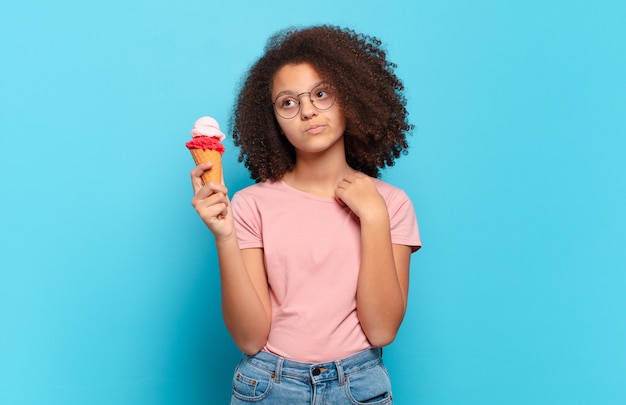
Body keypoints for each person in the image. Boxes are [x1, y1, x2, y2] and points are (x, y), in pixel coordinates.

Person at [190, 25, 421, 405]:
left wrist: (374, 218)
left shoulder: (391, 204)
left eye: (321, 93)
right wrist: (225, 236)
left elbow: (381, 330)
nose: (309, 110)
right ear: (273, 121)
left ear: (352, 96)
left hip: (359, 387)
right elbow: (250, 338)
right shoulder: (251, 205)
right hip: (268, 386)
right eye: (288, 102)